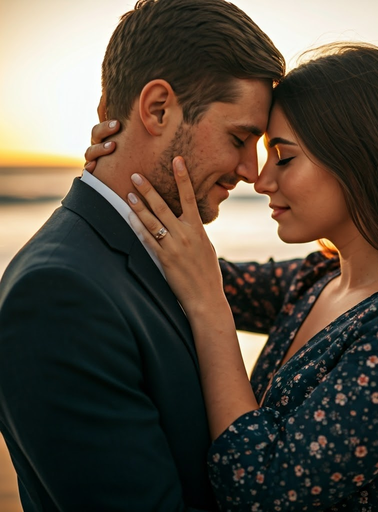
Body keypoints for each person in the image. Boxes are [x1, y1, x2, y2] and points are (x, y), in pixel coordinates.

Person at [88, 42, 378, 511]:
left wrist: (211, 312)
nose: (261, 180)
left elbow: (261, 493)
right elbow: (179, 263)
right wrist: (126, 163)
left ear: (361, 161)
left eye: (283, 157)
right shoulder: (317, 279)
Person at [0, 0, 285, 510]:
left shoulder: (157, 255)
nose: (251, 170)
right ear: (157, 109)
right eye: (240, 138)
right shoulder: (58, 297)